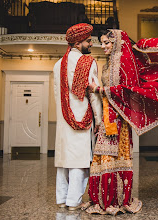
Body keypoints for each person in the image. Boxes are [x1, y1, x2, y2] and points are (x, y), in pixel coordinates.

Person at [83, 28, 158, 215]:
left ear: (117, 42)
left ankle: (115, 200)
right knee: (102, 158)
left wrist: (98, 90)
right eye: (101, 42)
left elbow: (127, 91)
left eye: (106, 43)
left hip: (119, 121)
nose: (103, 46)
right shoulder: (111, 63)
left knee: (114, 159)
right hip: (108, 119)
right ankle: (102, 200)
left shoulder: (125, 64)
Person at [53, 23, 102, 211]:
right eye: (88, 41)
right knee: (80, 161)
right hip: (81, 118)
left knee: (64, 160)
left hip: (63, 120)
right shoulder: (87, 62)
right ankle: (74, 201)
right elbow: (93, 95)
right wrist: (99, 120)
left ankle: (62, 198)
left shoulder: (58, 65)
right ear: (78, 42)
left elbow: (57, 95)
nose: (91, 44)